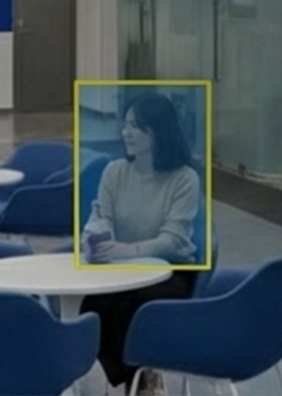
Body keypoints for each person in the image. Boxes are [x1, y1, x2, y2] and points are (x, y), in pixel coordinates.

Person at [79, 92, 201, 395]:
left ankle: (139, 381)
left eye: (136, 126)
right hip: (125, 269)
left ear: (158, 131)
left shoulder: (184, 178)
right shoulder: (115, 172)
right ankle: (135, 377)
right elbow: (100, 216)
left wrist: (129, 251)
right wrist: (93, 237)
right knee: (94, 306)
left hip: (172, 271)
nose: (126, 133)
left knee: (131, 308)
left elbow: (173, 239)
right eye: (126, 125)